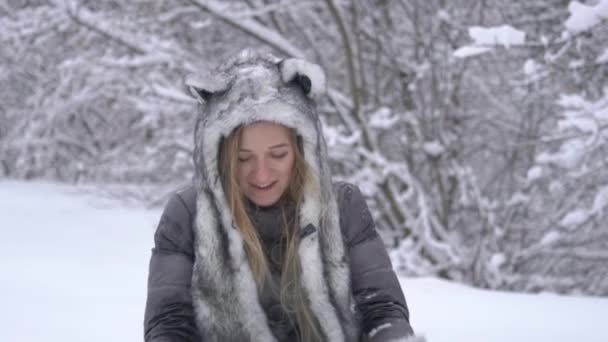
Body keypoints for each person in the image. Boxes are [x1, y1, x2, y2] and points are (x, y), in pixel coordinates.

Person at [144, 49, 424, 342]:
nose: (261, 174)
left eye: (278, 155)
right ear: (219, 158)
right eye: (242, 159)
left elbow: (382, 309)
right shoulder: (188, 214)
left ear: (303, 150)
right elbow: (168, 321)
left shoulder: (343, 207)